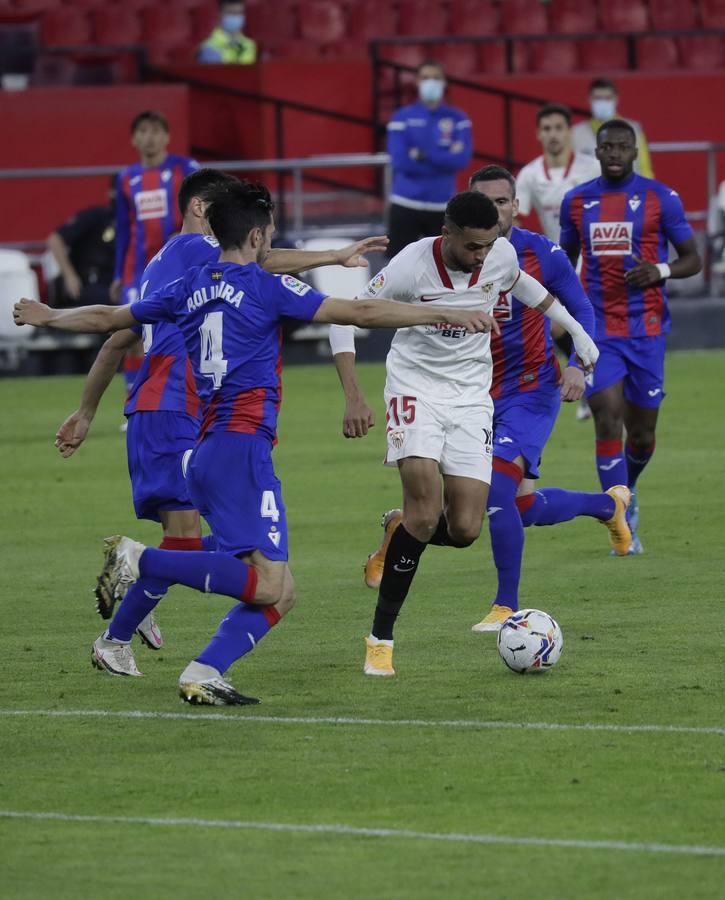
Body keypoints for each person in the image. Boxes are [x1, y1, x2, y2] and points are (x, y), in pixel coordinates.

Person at [14, 180, 498, 706]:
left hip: (208, 452)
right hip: (241, 450)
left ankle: (203, 670)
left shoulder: (188, 285)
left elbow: (111, 320)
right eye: (269, 235)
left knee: (280, 591)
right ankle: (142, 561)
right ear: (258, 235)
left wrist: (51, 316)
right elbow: (358, 313)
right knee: (269, 586)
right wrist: (446, 312)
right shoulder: (267, 286)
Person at [54, 167, 391, 669]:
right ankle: (132, 603)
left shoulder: (164, 261)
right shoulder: (195, 252)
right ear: (201, 210)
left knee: (199, 541)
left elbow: (119, 333)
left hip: (174, 406)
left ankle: (137, 609)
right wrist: (333, 257)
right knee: (196, 546)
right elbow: (263, 261)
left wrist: (85, 410)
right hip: (173, 403)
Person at [327, 191, 598, 677]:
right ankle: (380, 639)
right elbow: (346, 316)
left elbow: (524, 286)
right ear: (447, 233)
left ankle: (398, 528)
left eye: (488, 246)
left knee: (467, 528)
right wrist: (353, 394)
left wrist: (575, 332)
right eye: (473, 247)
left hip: (472, 397)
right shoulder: (412, 266)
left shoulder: (499, 253)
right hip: (414, 390)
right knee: (427, 512)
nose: (481, 256)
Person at [468, 166, 631, 630]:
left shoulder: (541, 253)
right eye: (485, 202)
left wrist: (579, 365)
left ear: (516, 206)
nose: (494, 210)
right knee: (519, 507)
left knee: (496, 491)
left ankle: (505, 608)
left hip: (530, 388)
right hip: (473, 391)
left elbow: (580, 308)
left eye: (502, 202)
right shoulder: (453, 254)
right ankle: (607, 506)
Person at [559, 119, 701, 554]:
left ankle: (629, 488)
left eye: (624, 146)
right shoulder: (577, 202)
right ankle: (618, 517)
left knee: (640, 435)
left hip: (647, 332)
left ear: (635, 151)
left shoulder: (662, 199)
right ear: (597, 153)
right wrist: (561, 316)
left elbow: (692, 259)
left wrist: (659, 271)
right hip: (600, 330)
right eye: (608, 147)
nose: (616, 153)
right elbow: (563, 263)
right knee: (606, 414)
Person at [113, 110, 199, 394]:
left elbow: (204, 209)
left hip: (177, 267)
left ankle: (182, 393)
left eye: (155, 131)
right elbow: (124, 229)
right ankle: (133, 400)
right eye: (143, 131)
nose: (149, 138)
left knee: (179, 330)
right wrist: (117, 275)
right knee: (130, 333)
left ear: (167, 137)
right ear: (133, 139)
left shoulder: (184, 169)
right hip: (136, 270)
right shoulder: (126, 178)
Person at [386, 60, 472, 258]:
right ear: (417, 82)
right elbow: (400, 162)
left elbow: (461, 161)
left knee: (444, 270)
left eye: (435, 78)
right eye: (425, 78)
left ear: (444, 82)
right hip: (405, 204)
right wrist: (444, 159)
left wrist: (422, 155)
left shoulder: (458, 119)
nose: (430, 82)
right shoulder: (401, 118)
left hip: (442, 207)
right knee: (397, 271)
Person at [516, 103, 600, 243]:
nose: (553, 134)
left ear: (569, 131)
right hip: (557, 258)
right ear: (538, 134)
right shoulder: (529, 174)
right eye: (547, 129)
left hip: (592, 258)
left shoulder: (594, 168)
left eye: (559, 128)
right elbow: (514, 221)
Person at [47, 178, 116, 308]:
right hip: (88, 284)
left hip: (117, 283)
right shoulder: (97, 216)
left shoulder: (134, 223)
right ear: (111, 192)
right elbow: (55, 239)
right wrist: (70, 276)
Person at [572, 78, 654, 179]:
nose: (602, 102)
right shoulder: (575, 133)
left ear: (616, 99)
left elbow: (645, 169)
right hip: (589, 193)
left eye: (607, 98)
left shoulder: (634, 130)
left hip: (627, 192)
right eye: (598, 98)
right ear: (589, 100)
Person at [197, 1, 257, 65]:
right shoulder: (209, 45)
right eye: (230, 12)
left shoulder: (249, 44)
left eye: (239, 13)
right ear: (219, 14)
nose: (235, 17)